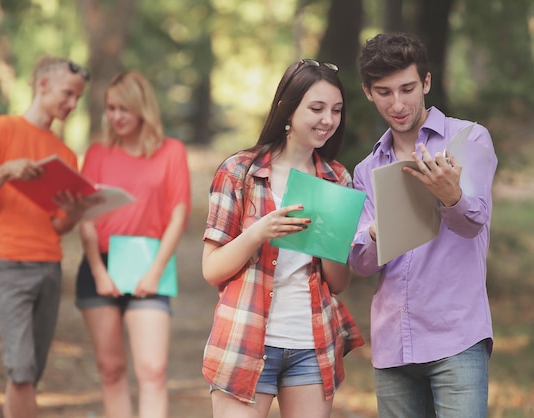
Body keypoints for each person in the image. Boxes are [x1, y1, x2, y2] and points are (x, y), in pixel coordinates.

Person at [201, 59, 365, 418]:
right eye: (317, 108)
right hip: (245, 340)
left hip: (310, 344)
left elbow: (338, 283)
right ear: (287, 110)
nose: (328, 120)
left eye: (336, 110)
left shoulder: (337, 179)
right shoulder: (238, 172)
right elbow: (211, 269)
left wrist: (326, 239)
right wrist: (260, 232)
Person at [349, 32, 497, 417]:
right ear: (368, 92)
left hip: (457, 337)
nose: (397, 104)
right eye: (384, 92)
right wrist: (374, 232)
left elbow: (473, 224)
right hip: (393, 344)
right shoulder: (367, 170)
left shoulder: (469, 140)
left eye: (407, 88)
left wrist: (451, 196)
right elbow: (362, 265)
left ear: (426, 83)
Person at [0, 55, 94, 418]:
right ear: (42, 85)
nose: (72, 104)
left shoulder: (66, 154)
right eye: (67, 94)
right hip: (9, 264)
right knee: (21, 370)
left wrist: (75, 211)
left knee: (28, 375)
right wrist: (6, 170)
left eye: (77, 99)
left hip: (49, 267)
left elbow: (58, 226)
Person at [75, 70, 191, 418]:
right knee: (111, 371)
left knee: (152, 370)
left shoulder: (171, 151)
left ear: (142, 108)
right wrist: (98, 271)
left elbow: (178, 215)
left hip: (149, 264)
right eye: (111, 108)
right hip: (101, 267)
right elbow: (86, 218)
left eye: (123, 108)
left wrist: (155, 272)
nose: (116, 116)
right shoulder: (97, 153)